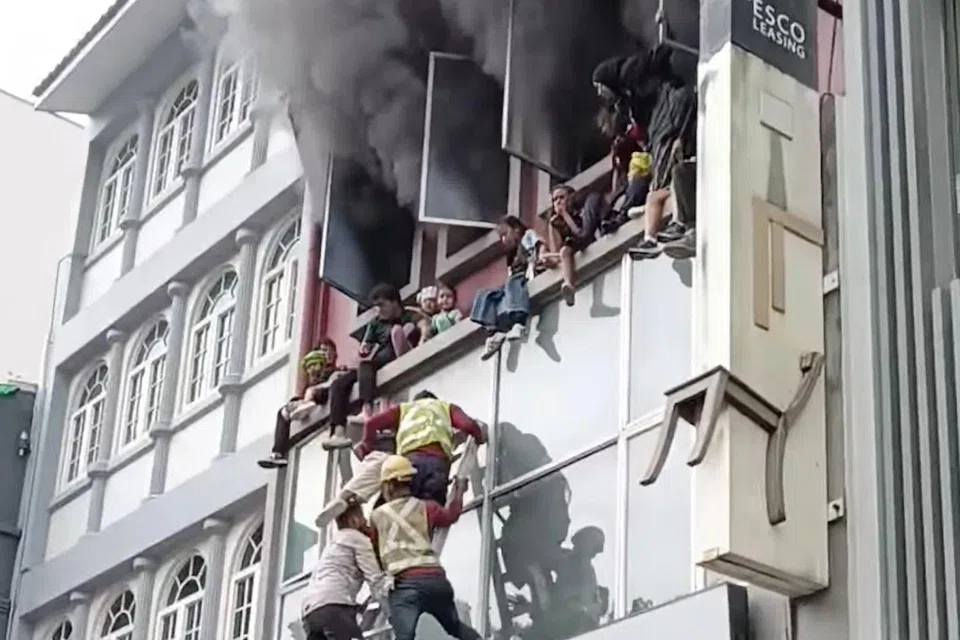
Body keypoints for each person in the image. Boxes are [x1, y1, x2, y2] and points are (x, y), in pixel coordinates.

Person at [368, 455, 482, 640]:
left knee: (404, 636)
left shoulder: (377, 516)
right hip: (436, 582)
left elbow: (375, 553)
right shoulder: (427, 507)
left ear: (388, 486)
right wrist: (460, 488)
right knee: (455, 628)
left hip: (405, 586)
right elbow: (451, 515)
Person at [322, 284, 421, 450]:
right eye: (376, 306)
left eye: (382, 305)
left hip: (392, 356)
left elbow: (424, 325)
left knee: (366, 366)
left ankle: (368, 410)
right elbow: (365, 346)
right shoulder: (376, 323)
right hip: (374, 360)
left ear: (395, 302)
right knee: (339, 384)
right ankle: (338, 431)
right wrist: (364, 348)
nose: (379, 310)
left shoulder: (409, 315)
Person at [358, 390, 485, 504]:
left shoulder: (405, 409)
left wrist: (366, 448)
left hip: (408, 466)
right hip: (437, 465)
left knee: (397, 510)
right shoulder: (445, 407)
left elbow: (371, 423)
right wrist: (479, 437)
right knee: (430, 516)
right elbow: (468, 425)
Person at [301, 500, 390, 640]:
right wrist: (393, 611)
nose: (365, 521)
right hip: (333, 607)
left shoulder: (333, 543)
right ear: (354, 520)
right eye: (362, 517)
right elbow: (375, 580)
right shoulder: (358, 539)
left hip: (310, 612)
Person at [258, 340, 347, 468]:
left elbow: (336, 384)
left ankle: (305, 405)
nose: (325, 354)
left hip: (325, 397)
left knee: (314, 392)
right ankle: (277, 453)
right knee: (283, 411)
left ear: (334, 354)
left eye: (327, 350)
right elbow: (307, 389)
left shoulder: (338, 371)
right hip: (311, 400)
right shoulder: (316, 373)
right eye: (322, 350)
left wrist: (318, 388)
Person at [470, 216, 546, 361]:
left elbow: (539, 247)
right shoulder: (511, 256)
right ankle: (495, 331)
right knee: (485, 295)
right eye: (501, 237)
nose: (503, 240)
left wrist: (539, 260)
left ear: (516, 230)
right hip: (514, 285)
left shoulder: (528, 236)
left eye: (505, 234)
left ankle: (519, 322)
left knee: (512, 283)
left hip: (527, 276)